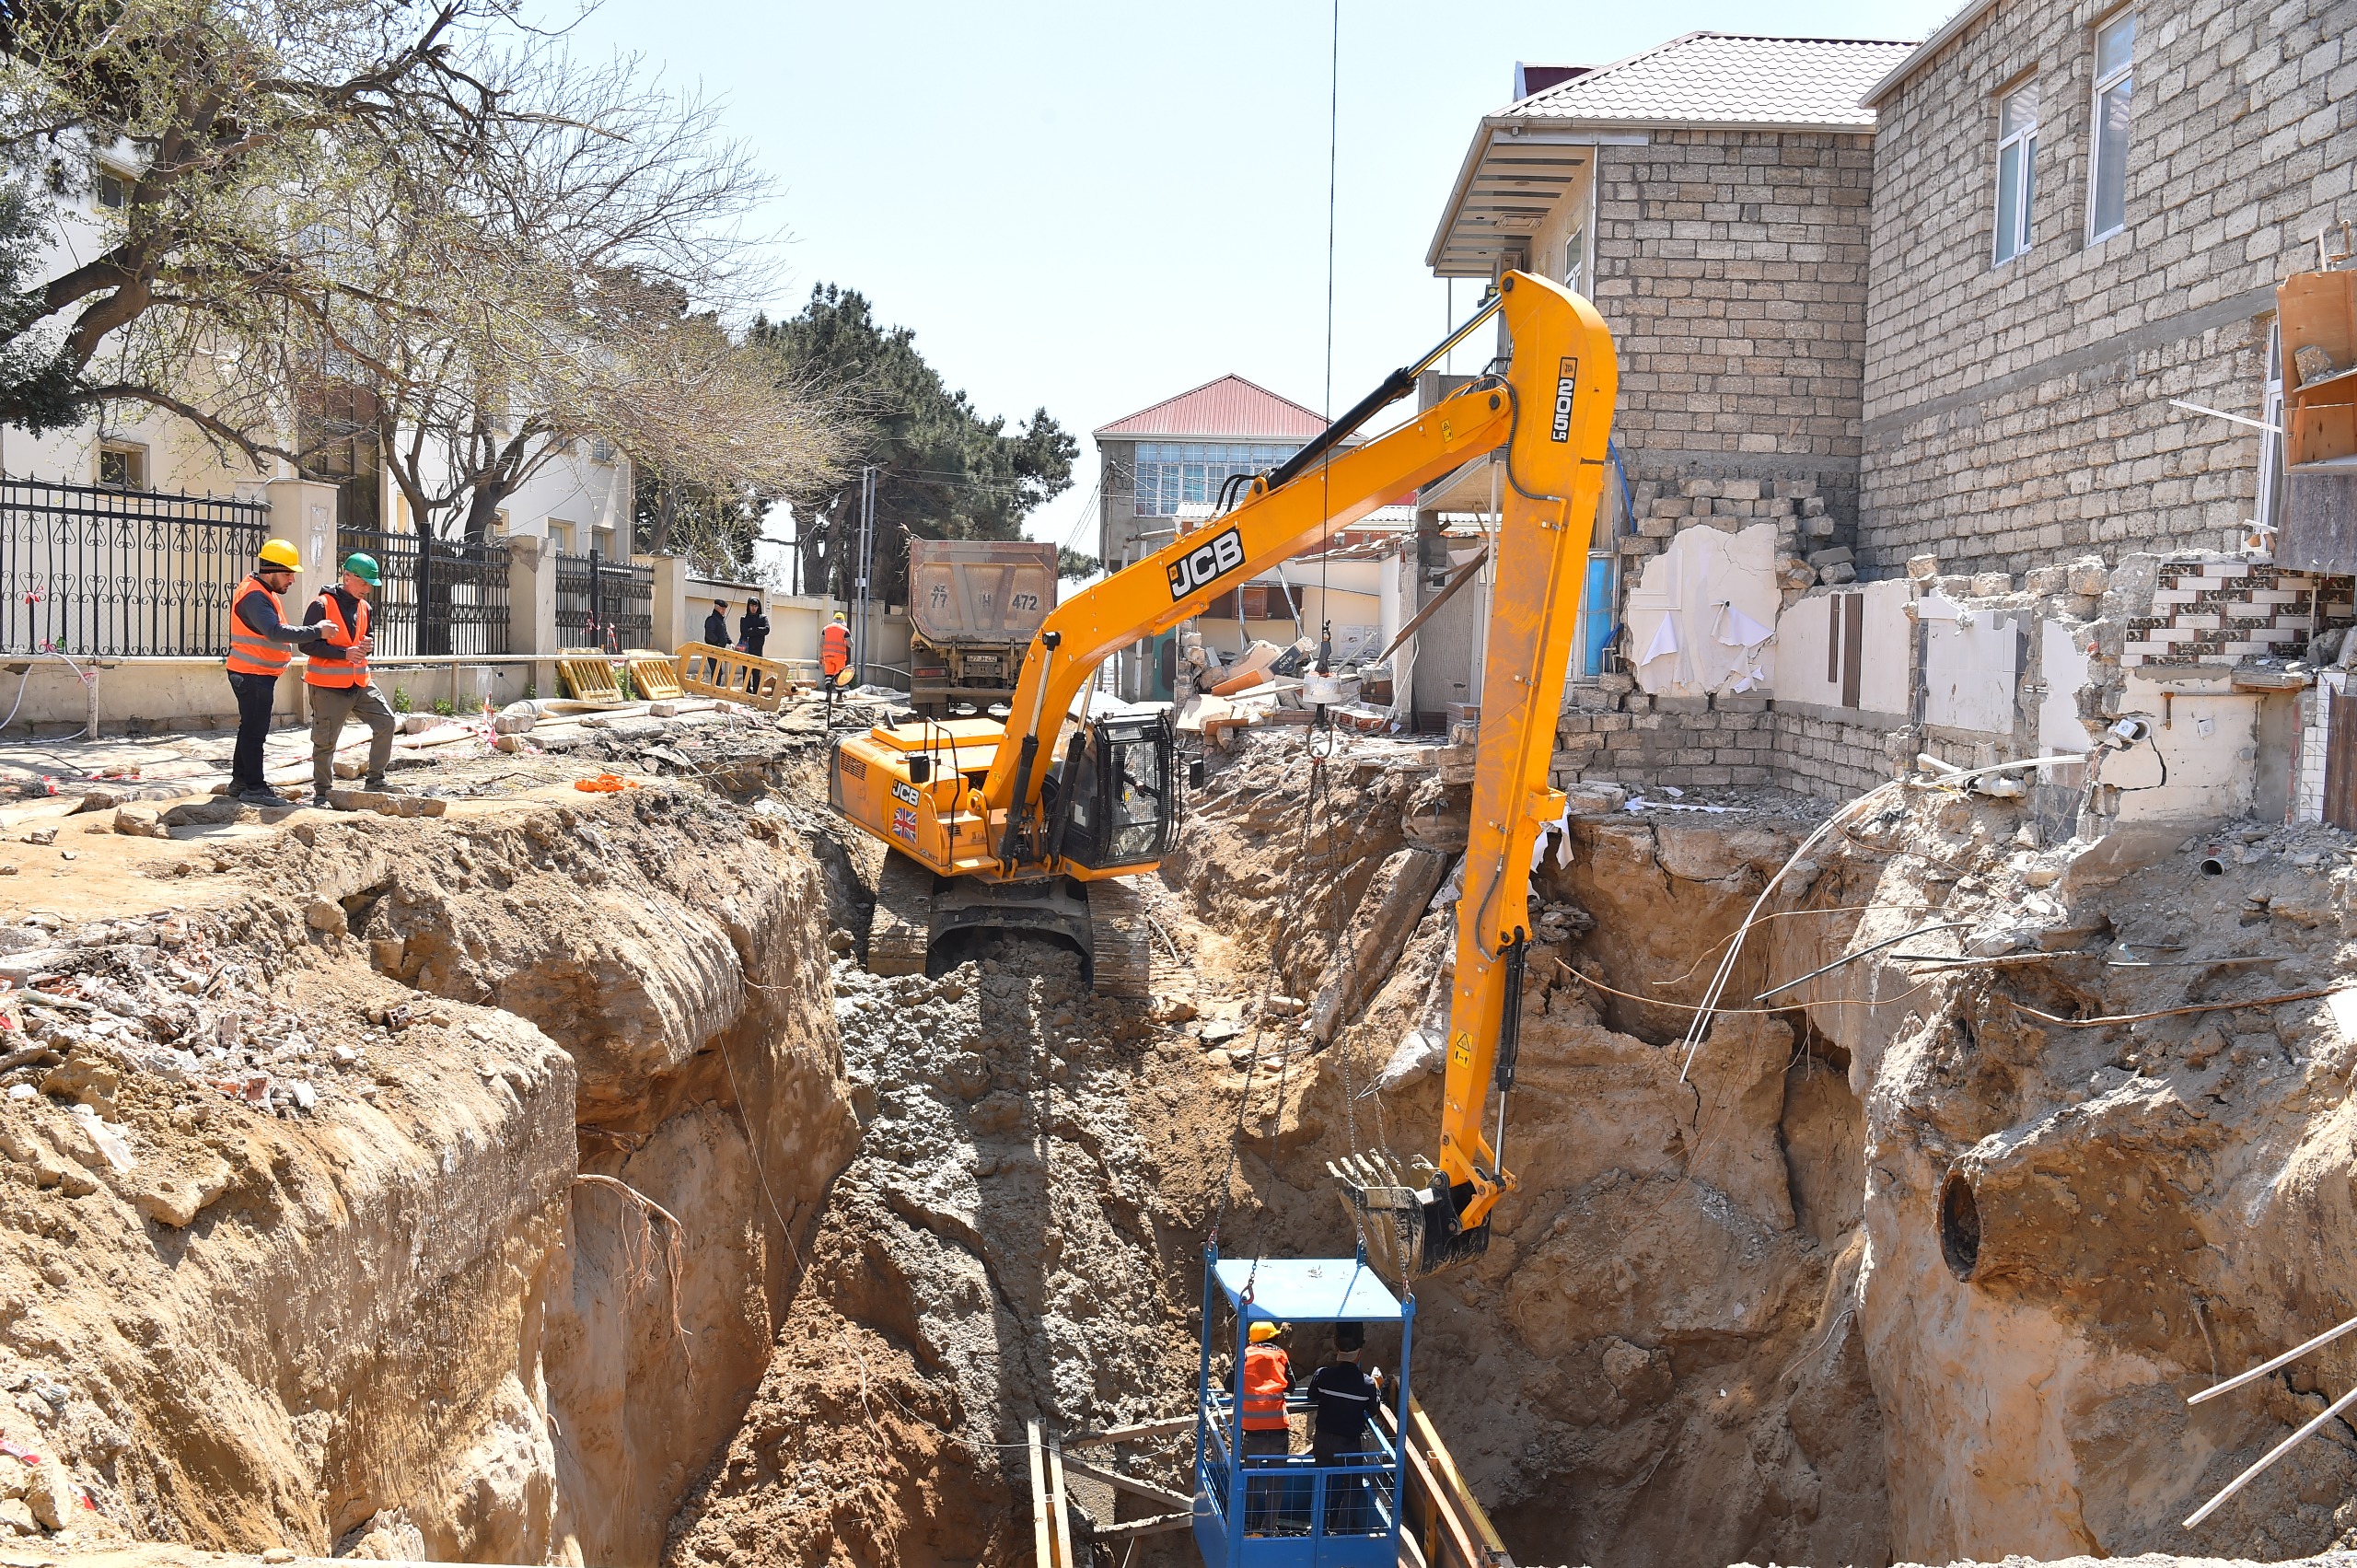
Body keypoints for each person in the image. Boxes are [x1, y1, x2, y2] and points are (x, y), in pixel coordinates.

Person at [223, 540, 319, 807]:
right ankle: (254, 787)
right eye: (288, 573)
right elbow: (274, 632)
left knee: (250, 728)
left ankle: (241, 782)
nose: (292, 580)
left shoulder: (262, 590)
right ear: (272, 569)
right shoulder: (255, 595)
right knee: (255, 731)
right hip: (251, 673)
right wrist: (316, 631)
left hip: (255, 672)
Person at [301, 553, 397, 808]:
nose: (368, 589)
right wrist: (343, 653)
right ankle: (323, 793)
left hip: (360, 682)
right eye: (364, 583)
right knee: (325, 741)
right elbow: (306, 644)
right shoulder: (321, 605)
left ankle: (376, 780)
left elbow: (366, 639)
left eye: (370, 584)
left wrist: (368, 646)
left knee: (387, 722)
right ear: (347, 576)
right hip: (328, 686)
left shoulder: (365, 608)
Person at [1306, 1322, 1385, 1533]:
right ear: (1359, 1354)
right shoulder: (1366, 1384)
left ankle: (1318, 1528)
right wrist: (1377, 1384)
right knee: (1352, 1486)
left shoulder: (1323, 1375)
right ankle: (1340, 1530)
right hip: (1347, 1444)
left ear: (1336, 1346)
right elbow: (1373, 1408)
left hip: (1322, 1440)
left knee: (1323, 1484)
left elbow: (1311, 1395)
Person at [1240, 1319, 1294, 1458]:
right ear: (1273, 1338)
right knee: (1276, 1472)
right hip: (1278, 1426)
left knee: (1250, 1473)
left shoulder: (1244, 1355)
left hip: (1252, 1427)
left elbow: (1229, 1384)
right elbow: (1291, 1385)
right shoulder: (1280, 1355)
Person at [820, 610, 852, 723]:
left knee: (828, 675)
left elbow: (821, 643)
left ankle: (828, 695)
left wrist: (821, 656)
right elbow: (850, 644)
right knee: (839, 678)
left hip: (827, 655)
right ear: (842, 620)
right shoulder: (845, 630)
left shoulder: (826, 629)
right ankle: (839, 697)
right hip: (839, 657)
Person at [737, 595, 771, 693]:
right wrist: (758, 631)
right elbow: (745, 632)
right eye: (752, 606)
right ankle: (747, 691)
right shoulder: (744, 618)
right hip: (747, 649)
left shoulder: (763, 618)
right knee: (746, 672)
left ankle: (756, 693)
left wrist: (754, 629)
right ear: (748, 606)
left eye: (756, 606)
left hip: (758, 649)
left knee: (756, 673)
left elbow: (767, 630)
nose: (754, 608)